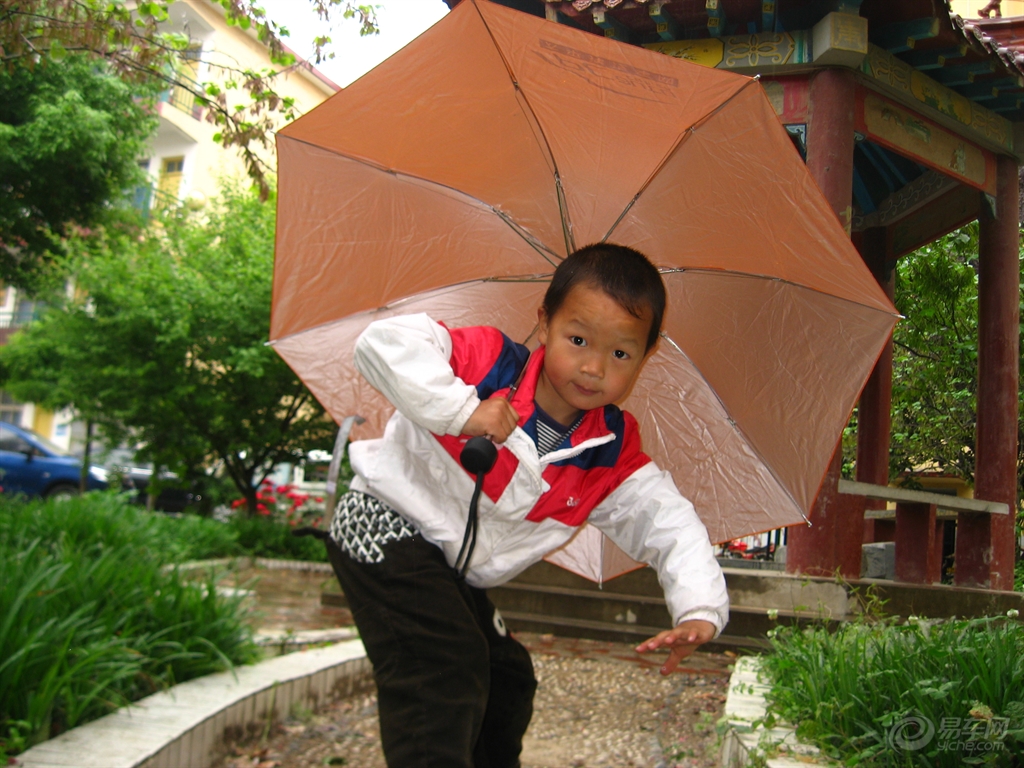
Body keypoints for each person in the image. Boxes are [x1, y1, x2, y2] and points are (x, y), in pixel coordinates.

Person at [324, 243, 728, 768]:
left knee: (508, 678)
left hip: (450, 569)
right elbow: (383, 344)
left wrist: (699, 608)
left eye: (620, 354)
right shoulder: (487, 363)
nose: (593, 366)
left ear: (645, 358)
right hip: (381, 524)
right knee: (445, 666)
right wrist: (462, 410)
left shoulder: (608, 450)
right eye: (578, 339)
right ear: (544, 323)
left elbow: (667, 522)